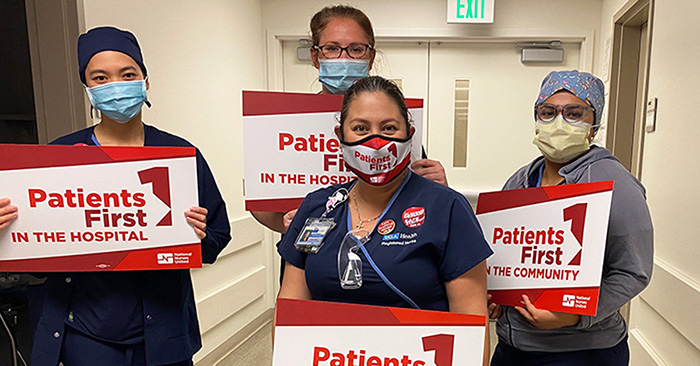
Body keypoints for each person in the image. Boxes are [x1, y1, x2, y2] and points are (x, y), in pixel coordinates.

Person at [0, 26, 231, 366]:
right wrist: (6, 230)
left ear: (145, 81)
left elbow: (217, 237)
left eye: (127, 74)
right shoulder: (58, 157)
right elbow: (32, 251)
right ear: (88, 89)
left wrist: (196, 235)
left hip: (161, 332)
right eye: (100, 78)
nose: (116, 86)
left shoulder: (178, 155)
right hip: (83, 333)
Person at [277, 76, 492, 365]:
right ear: (340, 135)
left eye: (389, 128)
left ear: (409, 133)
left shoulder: (447, 207)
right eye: (361, 128)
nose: (375, 142)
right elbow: (290, 316)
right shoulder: (316, 207)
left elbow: (471, 327)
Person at [488, 70, 653, 366]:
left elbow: (633, 271)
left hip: (582, 352)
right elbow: (506, 259)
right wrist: (497, 294)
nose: (559, 122)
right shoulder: (520, 180)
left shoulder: (615, 182)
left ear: (594, 125)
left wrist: (577, 315)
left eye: (574, 113)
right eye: (548, 112)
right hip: (513, 347)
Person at [251, 5, 447, 234]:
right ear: (315, 56)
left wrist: (438, 187)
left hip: (384, 250)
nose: (344, 58)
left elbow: (419, 201)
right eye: (332, 49)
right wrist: (291, 225)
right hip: (310, 256)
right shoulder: (287, 124)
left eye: (356, 49)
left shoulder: (396, 127)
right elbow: (262, 203)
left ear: (371, 56)